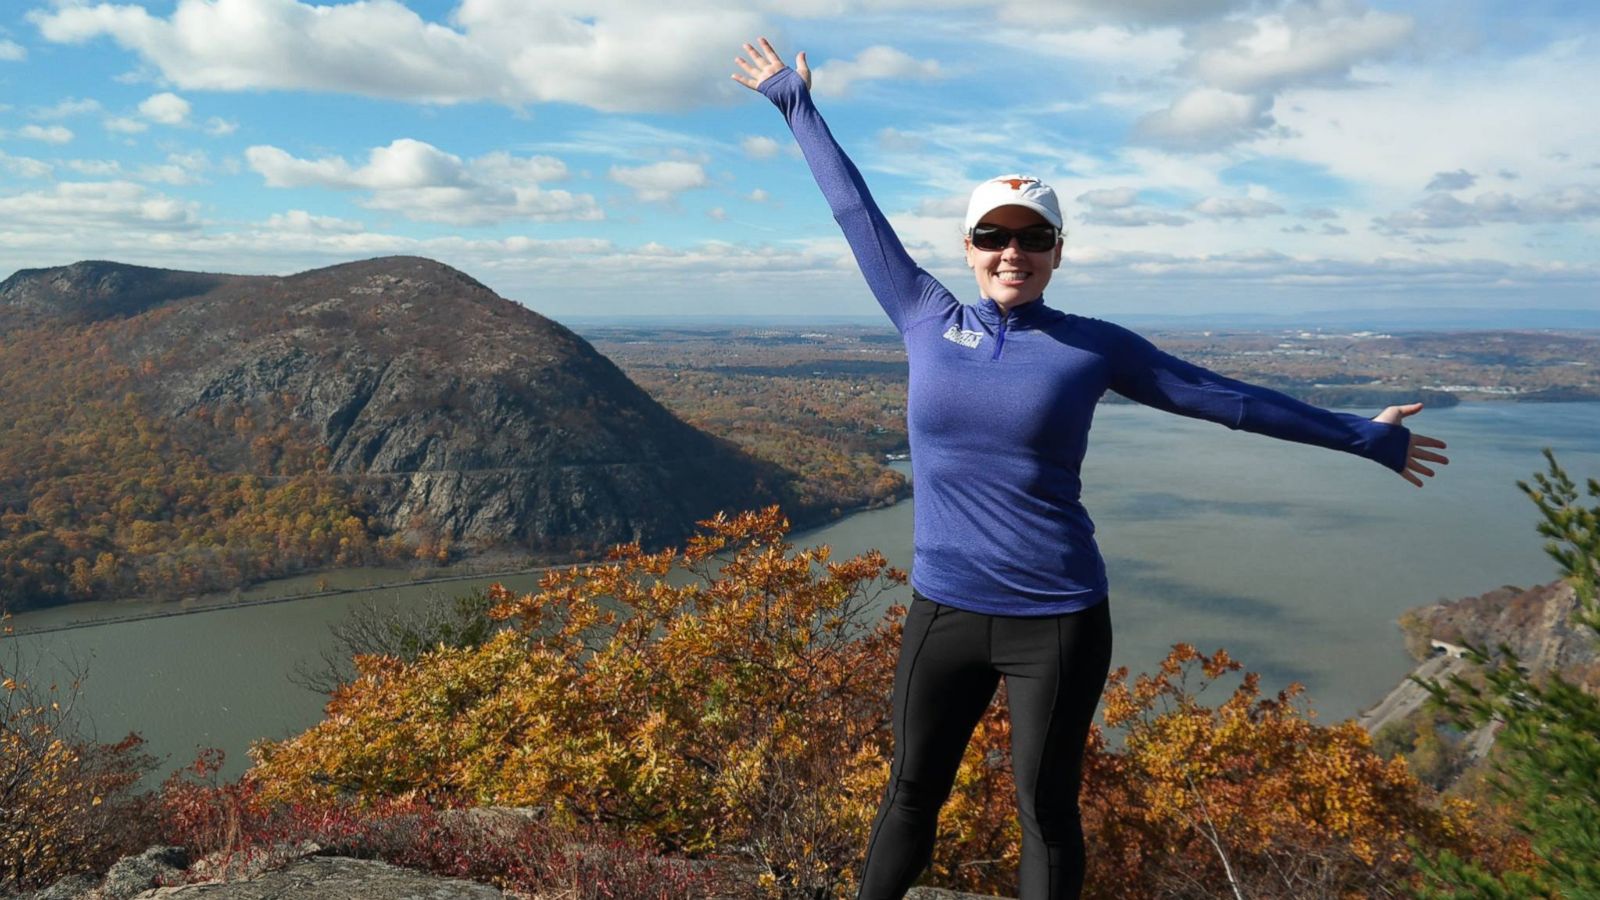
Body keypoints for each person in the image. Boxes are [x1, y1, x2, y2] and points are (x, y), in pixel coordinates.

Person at [732, 37, 1449, 900]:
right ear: (968, 247)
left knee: (1046, 808)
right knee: (912, 792)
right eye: (993, 236)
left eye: (1034, 238)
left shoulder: (1093, 347)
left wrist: (1363, 436)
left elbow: (1227, 400)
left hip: (1059, 618)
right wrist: (793, 102)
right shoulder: (922, 313)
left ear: (1059, 251)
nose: (1012, 251)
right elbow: (855, 212)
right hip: (943, 610)